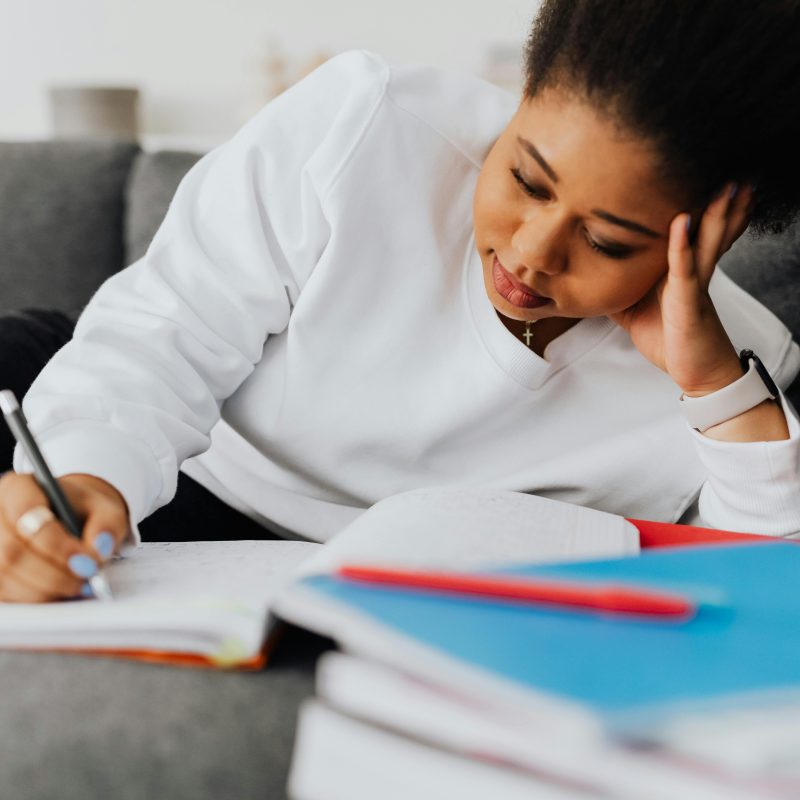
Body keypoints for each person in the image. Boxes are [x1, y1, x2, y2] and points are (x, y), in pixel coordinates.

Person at [1, 0, 800, 603]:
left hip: (371, 578)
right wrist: (86, 480)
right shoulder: (364, 124)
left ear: (712, 235)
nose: (530, 252)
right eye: (525, 178)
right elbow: (165, 336)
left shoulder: (731, 373)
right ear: (521, 96)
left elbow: (754, 593)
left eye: (608, 241)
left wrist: (713, 388)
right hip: (177, 462)